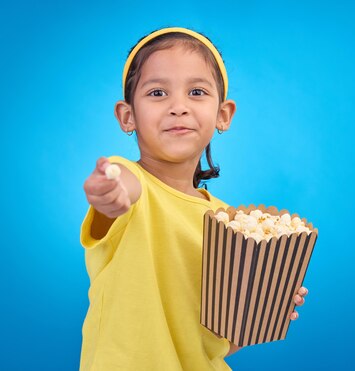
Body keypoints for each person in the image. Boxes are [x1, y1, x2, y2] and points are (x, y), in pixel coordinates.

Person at [80, 27, 308, 370]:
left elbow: (212, 343)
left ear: (223, 115)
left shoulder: (232, 225)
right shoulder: (129, 180)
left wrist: (260, 311)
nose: (178, 107)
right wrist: (108, 194)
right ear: (128, 116)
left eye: (196, 92)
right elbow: (121, 189)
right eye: (157, 92)